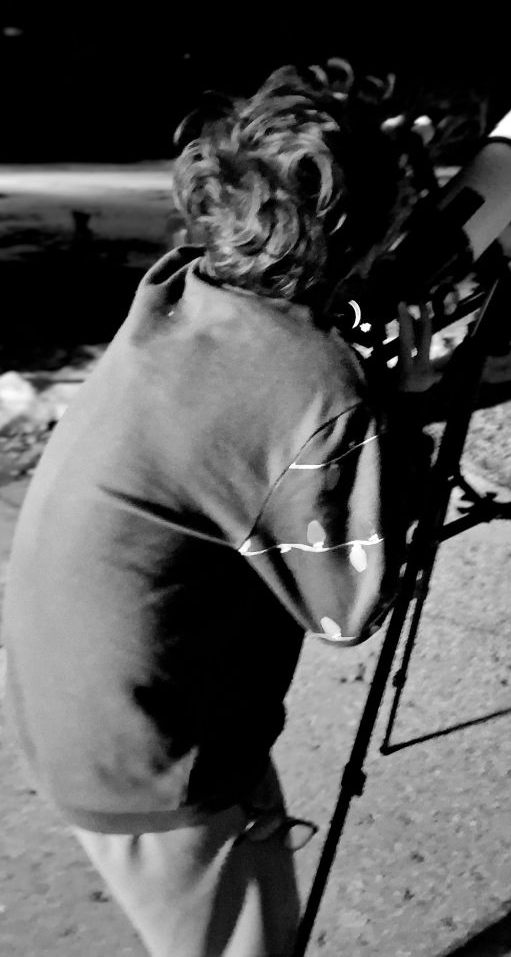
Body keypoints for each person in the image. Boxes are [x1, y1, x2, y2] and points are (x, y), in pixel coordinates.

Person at [2, 62, 439, 956]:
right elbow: (348, 605)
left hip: (93, 712)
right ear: (361, 226)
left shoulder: (183, 293)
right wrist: (404, 406)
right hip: (150, 762)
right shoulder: (310, 384)